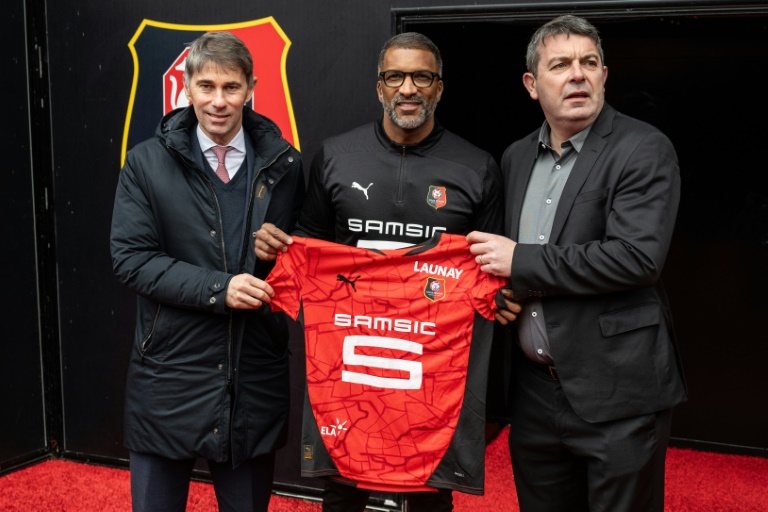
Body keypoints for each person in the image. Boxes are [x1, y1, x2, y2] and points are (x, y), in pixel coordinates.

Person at [255, 32, 514, 512]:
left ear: (439, 88)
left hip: (432, 358)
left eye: (422, 77)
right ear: (379, 87)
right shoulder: (336, 155)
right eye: (395, 76)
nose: (408, 89)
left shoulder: (477, 167)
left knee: (430, 492)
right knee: (342, 486)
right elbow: (309, 245)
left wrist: (503, 295)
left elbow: (489, 265)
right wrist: (281, 250)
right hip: (353, 355)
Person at [466, 15, 687, 512]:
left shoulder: (643, 148)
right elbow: (514, 268)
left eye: (589, 63)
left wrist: (520, 262)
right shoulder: (516, 157)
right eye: (561, 64)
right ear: (532, 84)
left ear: (605, 75)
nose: (577, 75)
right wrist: (504, 294)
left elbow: (636, 259)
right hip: (534, 395)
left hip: (618, 391)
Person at [110, 31, 304, 512]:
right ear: (187, 87)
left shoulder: (286, 165)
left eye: (232, 87)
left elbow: (309, 263)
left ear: (251, 87)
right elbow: (131, 260)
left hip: (252, 381)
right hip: (168, 378)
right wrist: (221, 288)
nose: (219, 101)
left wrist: (284, 253)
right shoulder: (145, 164)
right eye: (207, 86)